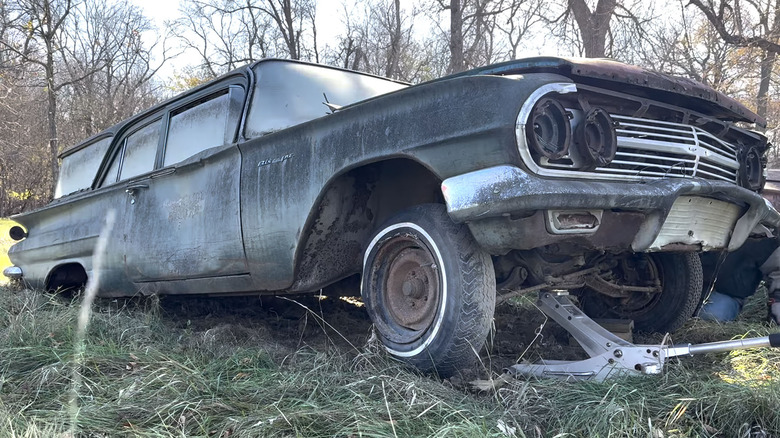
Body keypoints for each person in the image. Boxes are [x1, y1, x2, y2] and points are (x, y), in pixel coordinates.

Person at [699, 236, 780, 323]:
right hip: (689, 286)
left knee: (712, 314)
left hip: (726, 294)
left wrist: (776, 309)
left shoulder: (760, 233)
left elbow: (776, 270)